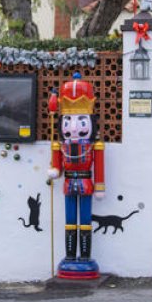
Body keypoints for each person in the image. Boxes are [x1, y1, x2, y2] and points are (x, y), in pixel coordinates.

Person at [47, 72, 105, 280]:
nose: (73, 128)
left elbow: (99, 167)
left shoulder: (94, 145)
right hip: (69, 182)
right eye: (68, 121)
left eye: (80, 122)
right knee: (70, 221)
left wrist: (100, 186)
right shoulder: (60, 145)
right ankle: (70, 256)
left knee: (86, 221)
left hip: (86, 183)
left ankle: (86, 256)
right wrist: (55, 171)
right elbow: (57, 166)